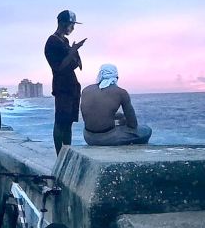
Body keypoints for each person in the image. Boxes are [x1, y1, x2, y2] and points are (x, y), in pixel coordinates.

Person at [44, 9, 86, 154]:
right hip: (62, 87)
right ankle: (59, 156)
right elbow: (59, 67)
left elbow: (75, 64)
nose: (72, 28)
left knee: (68, 123)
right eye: (71, 24)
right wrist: (73, 51)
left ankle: (67, 153)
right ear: (62, 23)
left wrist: (74, 51)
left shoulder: (64, 41)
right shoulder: (52, 42)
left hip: (72, 85)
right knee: (61, 122)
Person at [81, 64, 152, 146]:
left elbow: (92, 115)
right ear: (116, 78)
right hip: (107, 139)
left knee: (119, 120)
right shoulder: (121, 93)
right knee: (147, 130)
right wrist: (124, 120)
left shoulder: (86, 90)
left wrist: (117, 116)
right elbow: (133, 124)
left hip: (88, 137)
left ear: (100, 75)